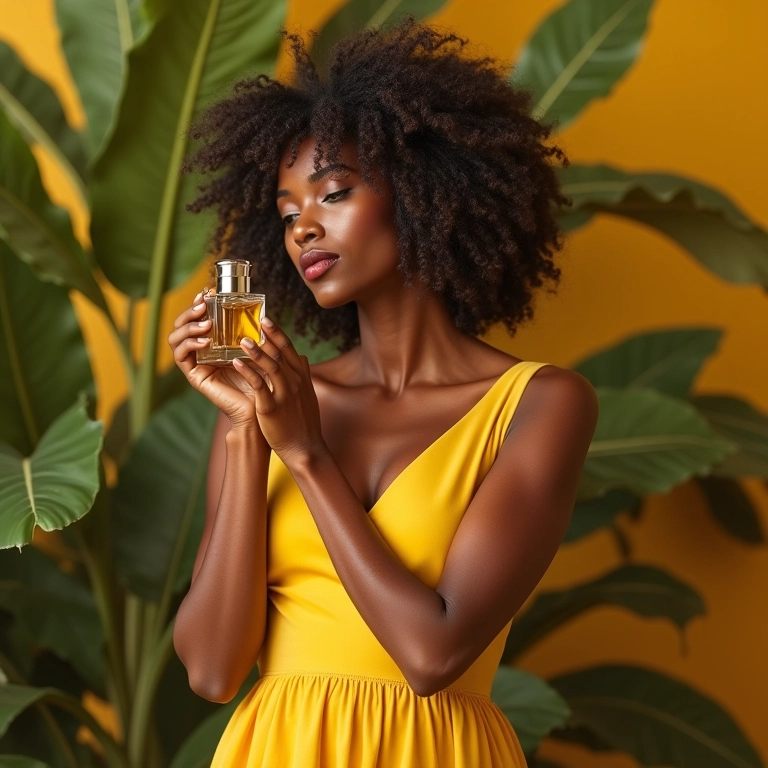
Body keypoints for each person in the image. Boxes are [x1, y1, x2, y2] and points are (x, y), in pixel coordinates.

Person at [167, 17, 598, 767]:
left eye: (333, 193)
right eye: (288, 211)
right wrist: (244, 434)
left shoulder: (541, 405)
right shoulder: (271, 405)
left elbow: (432, 657)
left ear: (426, 187)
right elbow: (211, 670)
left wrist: (304, 454)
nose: (304, 228)